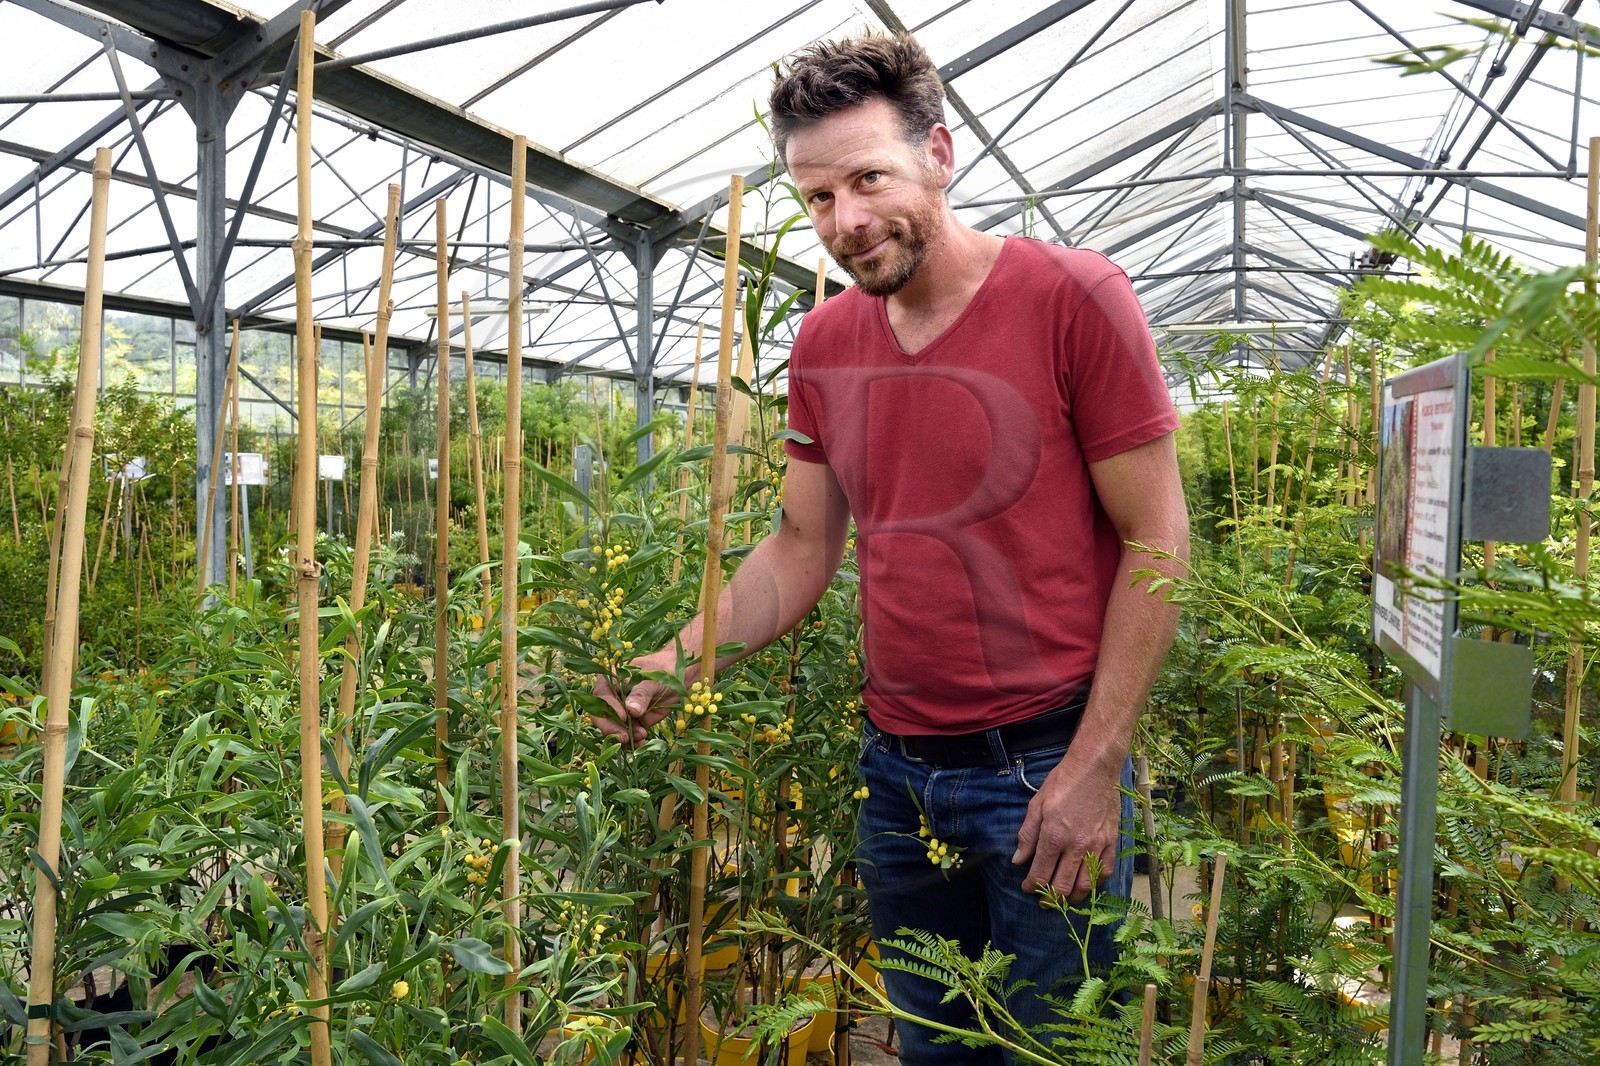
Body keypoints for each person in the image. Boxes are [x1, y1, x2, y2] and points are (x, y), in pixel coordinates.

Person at [595, 31, 1189, 1064]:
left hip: (1045, 766)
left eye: (868, 178)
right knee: (932, 1050)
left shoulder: (1072, 298)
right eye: (818, 198)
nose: (848, 221)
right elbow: (798, 546)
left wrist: (1096, 765)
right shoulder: (825, 343)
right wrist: (683, 658)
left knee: (1052, 1049)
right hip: (898, 776)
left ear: (940, 155)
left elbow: (1158, 540)